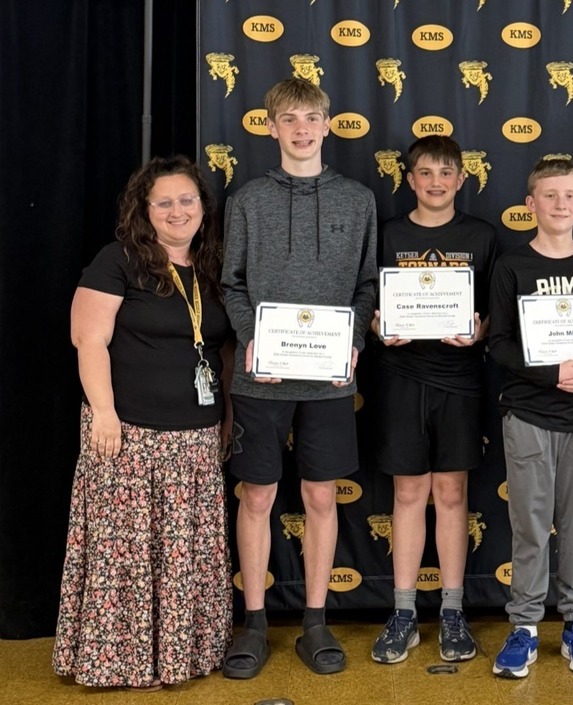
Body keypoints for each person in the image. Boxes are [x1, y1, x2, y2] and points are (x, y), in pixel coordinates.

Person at [53, 156, 232, 691]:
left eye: (187, 200)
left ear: (203, 206)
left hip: (195, 439)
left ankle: (180, 657)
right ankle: (122, 663)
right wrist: (104, 414)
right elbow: (88, 340)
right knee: (123, 556)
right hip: (126, 435)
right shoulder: (119, 260)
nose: (178, 211)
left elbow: (220, 352)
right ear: (144, 210)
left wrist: (225, 420)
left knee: (184, 555)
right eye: (165, 202)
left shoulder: (212, 266)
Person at [221, 77, 378, 678]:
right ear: (270, 127)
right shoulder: (246, 201)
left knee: (319, 495)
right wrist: (251, 335)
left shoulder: (358, 199)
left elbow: (366, 285)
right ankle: (255, 623)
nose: (302, 129)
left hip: (330, 378)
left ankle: (315, 621)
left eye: (313, 117)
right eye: (289, 119)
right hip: (261, 377)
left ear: (328, 124)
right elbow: (232, 282)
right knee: (256, 495)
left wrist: (355, 338)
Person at [487, 157, 573, 678]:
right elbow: (498, 344)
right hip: (528, 414)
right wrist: (550, 373)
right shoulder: (511, 266)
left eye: (570, 196)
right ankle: (523, 627)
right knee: (529, 526)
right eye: (550, 195)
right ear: (530, 205)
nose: (561, 204)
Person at [369, 136, 496, 664]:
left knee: (450, 493)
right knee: (406, 494)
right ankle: (402, 612)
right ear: (410, 179)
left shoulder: (483, 236)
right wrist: (377, 325)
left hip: (460, 380)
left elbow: (497, 312)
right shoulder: (388, 233)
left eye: (447, 173)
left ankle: (451, 610)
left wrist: (480, 330)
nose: (436, 182)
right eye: (426, 173)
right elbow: (368, 301)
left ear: (461, 179)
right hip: (400, 377)